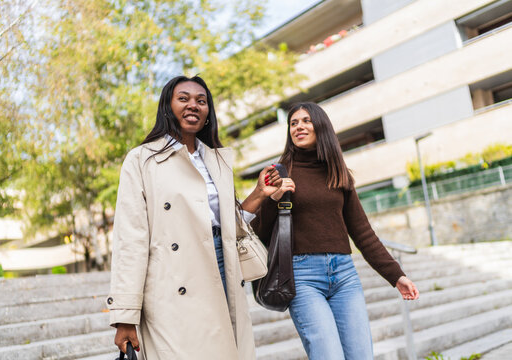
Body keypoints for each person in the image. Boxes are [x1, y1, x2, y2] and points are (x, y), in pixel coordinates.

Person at [106, 75, 281, 359]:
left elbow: (228, 225)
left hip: (222, 265)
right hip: (171, 278)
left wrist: (260, 193)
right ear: (167, 106)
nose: (193, 106)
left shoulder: (218, 160)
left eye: (201, 101)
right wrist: (125, 316)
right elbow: (130, 239)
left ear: (209, 112)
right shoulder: (141, 160)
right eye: (183, 98)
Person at [251, 102, 419, 359]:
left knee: (361, 355)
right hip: (302, 277)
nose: (299, 127)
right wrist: (274, 199)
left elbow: (363, 233)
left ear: (321, 126)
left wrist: (396, 275)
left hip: (344, 276)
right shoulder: (279, 172)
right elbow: (257, 231)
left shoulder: (338, 172)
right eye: (293, 123)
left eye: (306, 121)